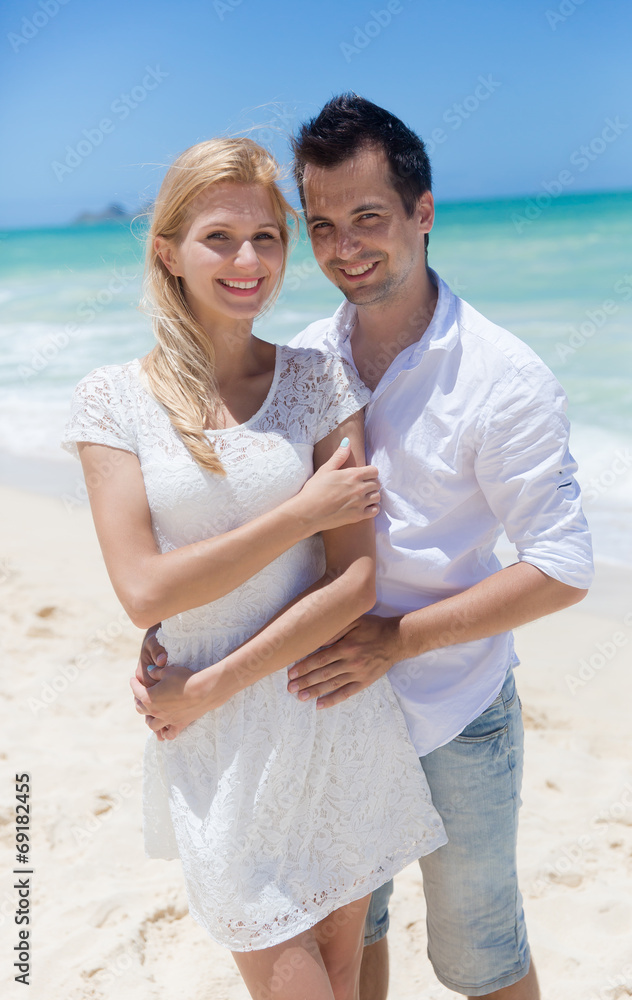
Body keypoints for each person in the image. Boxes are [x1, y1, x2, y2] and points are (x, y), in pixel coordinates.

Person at [140, 96, 594, 999]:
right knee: (358, 933)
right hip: (320, 711)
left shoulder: (503, 375)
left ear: (423, 213)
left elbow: (561, 567)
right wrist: (181, 635)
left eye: (369, 218)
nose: (345, 246)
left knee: (480, 954)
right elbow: (237, 522)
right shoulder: (308, 359)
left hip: (452, 708)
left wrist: (398, 640)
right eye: (322, 226)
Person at [61, 136, 447, 1000]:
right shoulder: (111, 400)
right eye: (218, 238)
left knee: (345, 981)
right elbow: (144, 591)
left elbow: (354, 583)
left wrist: (213, 683)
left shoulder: (318, 381)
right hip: (213, 746)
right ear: (168, 251)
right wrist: (299, 515)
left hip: (324, 705)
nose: (248, 260)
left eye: (266, 236)